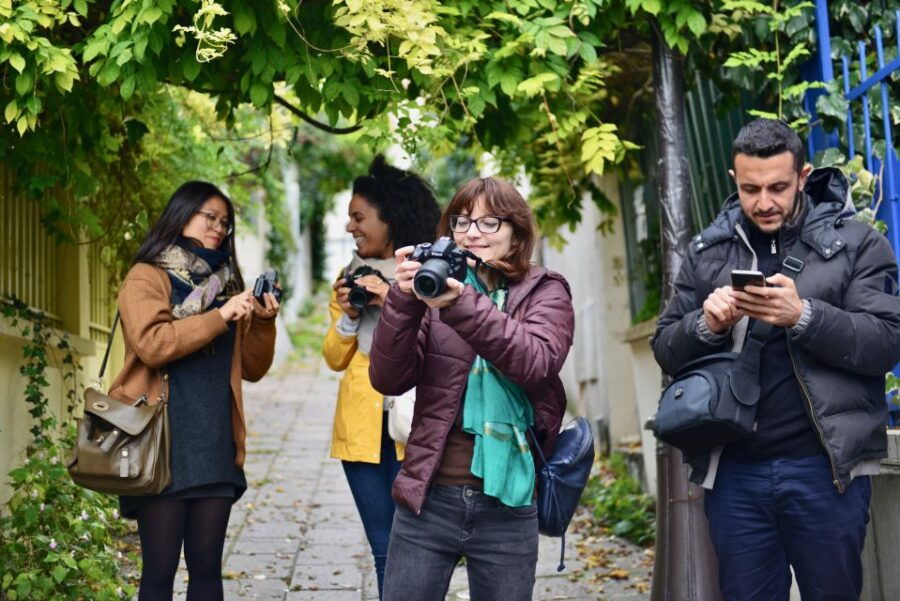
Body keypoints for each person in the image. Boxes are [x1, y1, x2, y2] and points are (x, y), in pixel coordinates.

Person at [652, 118, 900, 601]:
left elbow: (887, 342)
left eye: (778, 187)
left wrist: (804, 316)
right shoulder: (709, 251)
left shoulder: (856, 243)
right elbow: (665, 346)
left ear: (803, 176)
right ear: (734, 181)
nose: (764, 202)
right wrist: (707, 325)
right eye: (750, 189)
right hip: (735, 473)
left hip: (825, 471)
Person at [368, 176, 575, 601]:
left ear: (517, 232)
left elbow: (535, 362)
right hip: (428, 498)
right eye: (461, 222)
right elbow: (388, 378)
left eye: (488, 223)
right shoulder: (430, 290)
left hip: (509, 504)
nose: (471, 233)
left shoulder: (545, 291)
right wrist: (404, 301)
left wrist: (459, 303)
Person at [112, 181, 279, 601]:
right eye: (210, 217)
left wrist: (261, 321)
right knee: (160, 571)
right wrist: (220, 316)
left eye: (226, 222)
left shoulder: (226, 283)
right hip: (161, 444)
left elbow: (254, 369)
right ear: (181, 214)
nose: (219, 228)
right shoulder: (146, 276)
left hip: (214, 444)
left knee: (207, 571)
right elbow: (153, 344)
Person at [322, 156, 441, 600]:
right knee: (384, 548)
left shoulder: (429, 272)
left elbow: (444, 338)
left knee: (422, 547)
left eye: (358, 217)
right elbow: (334, 357)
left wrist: (391, 296)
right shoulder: (347, 277)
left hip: (417, 427)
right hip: (361, 431)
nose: (350, 227)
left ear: (390, 217)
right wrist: (351, 314)